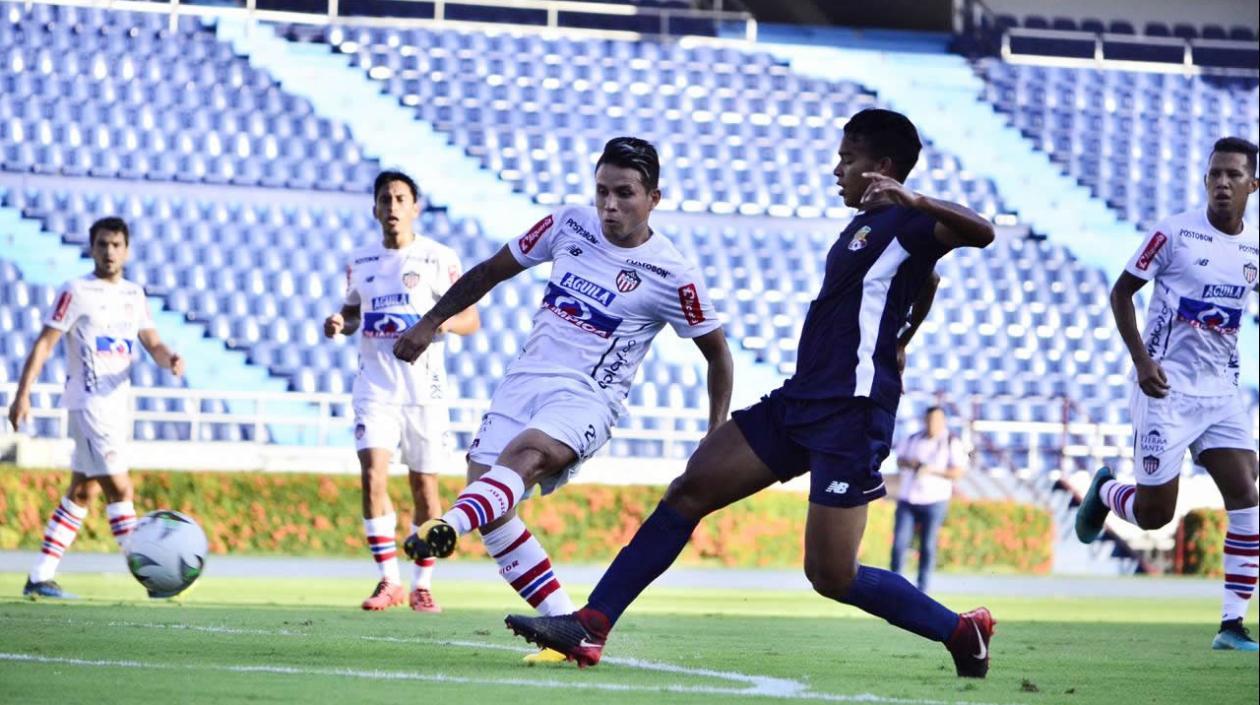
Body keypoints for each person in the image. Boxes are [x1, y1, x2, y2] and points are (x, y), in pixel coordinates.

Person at [503, 109, 999, 678]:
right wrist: (905, 335)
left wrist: (914, 201)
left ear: (882, 168)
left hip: (852, 414)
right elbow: (925, 283)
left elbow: (980, 231)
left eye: (848, 159)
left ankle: (962, 630)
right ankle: (591, 625)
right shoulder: (865, 228)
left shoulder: (911, 223)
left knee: (832, 575)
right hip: (801, 401)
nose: (837, 169)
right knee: (689, 489)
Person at [392, 137, 733, 656]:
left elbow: (718, 356)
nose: (609, 205)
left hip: (588, 397)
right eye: (602, 192)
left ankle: (448, 524)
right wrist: (428, 323)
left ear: (654, 199)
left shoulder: (673, 274)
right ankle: (568, 630)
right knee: (495, 509)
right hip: (523, 381)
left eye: (624, 194)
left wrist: (715, 433)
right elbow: (489, 270)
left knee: (524, 456)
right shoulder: (566, 224)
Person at [1076, 136, 1259, 652]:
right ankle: (1108, 493)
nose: (1222, 183)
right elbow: (1121, 292)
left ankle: (1231, 626)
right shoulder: (1174, 234)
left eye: (1233, 175)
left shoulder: (1253, 247)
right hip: (1166, 392)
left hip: (1222, 394)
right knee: (1156, 515)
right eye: (1214, 174)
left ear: (1253, 185)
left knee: (1247, 495)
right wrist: (1141, 360)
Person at [324, 170, 480, 612]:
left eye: (400, 198)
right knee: (372, 472)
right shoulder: (361, 262)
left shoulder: (438, 258)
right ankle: (388, 580)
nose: (392, 206)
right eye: (385, 199)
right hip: (375, 388)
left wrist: (437, 324)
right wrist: (340, 322)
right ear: (375, 209)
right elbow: (352, 313)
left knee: (424, 490)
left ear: (415, 207)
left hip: (425, 392)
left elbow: (471, 320)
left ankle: (421, 583)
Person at [8, 217, 184, 599]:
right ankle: (151, 574)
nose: (110, 252)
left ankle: (39, 576)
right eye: (103, 244)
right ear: (91, 247)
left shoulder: (134, 295)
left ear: (127, 249)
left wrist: (168, 357)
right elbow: (44, 343)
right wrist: (23, 393)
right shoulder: (76, 291)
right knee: (120, 487)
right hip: (87, 404)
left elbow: (151, 341)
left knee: (82, 492)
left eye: (117, 244)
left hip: (118, 407)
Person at [891, 405, 968, 593]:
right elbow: (899, 460)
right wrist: (912, 464)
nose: (932, 424)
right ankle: (894, 586)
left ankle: (922, 588)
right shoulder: (913, 439)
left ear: (943, 422)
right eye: (929, 420)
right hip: (909, 498)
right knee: (900, 544)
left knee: (927, 545)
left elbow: (958, 472)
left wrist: (933, 470)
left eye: (936, 420)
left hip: (935, 499)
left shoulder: (951, 442)